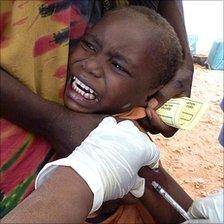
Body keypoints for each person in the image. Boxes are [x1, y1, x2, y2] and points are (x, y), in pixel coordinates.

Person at [0, 0, 193, 219]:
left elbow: (152, 192)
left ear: (150, 95)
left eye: (118, 66)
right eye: (89, 45)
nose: (90, 65)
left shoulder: (127, 137)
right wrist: (55, 122)